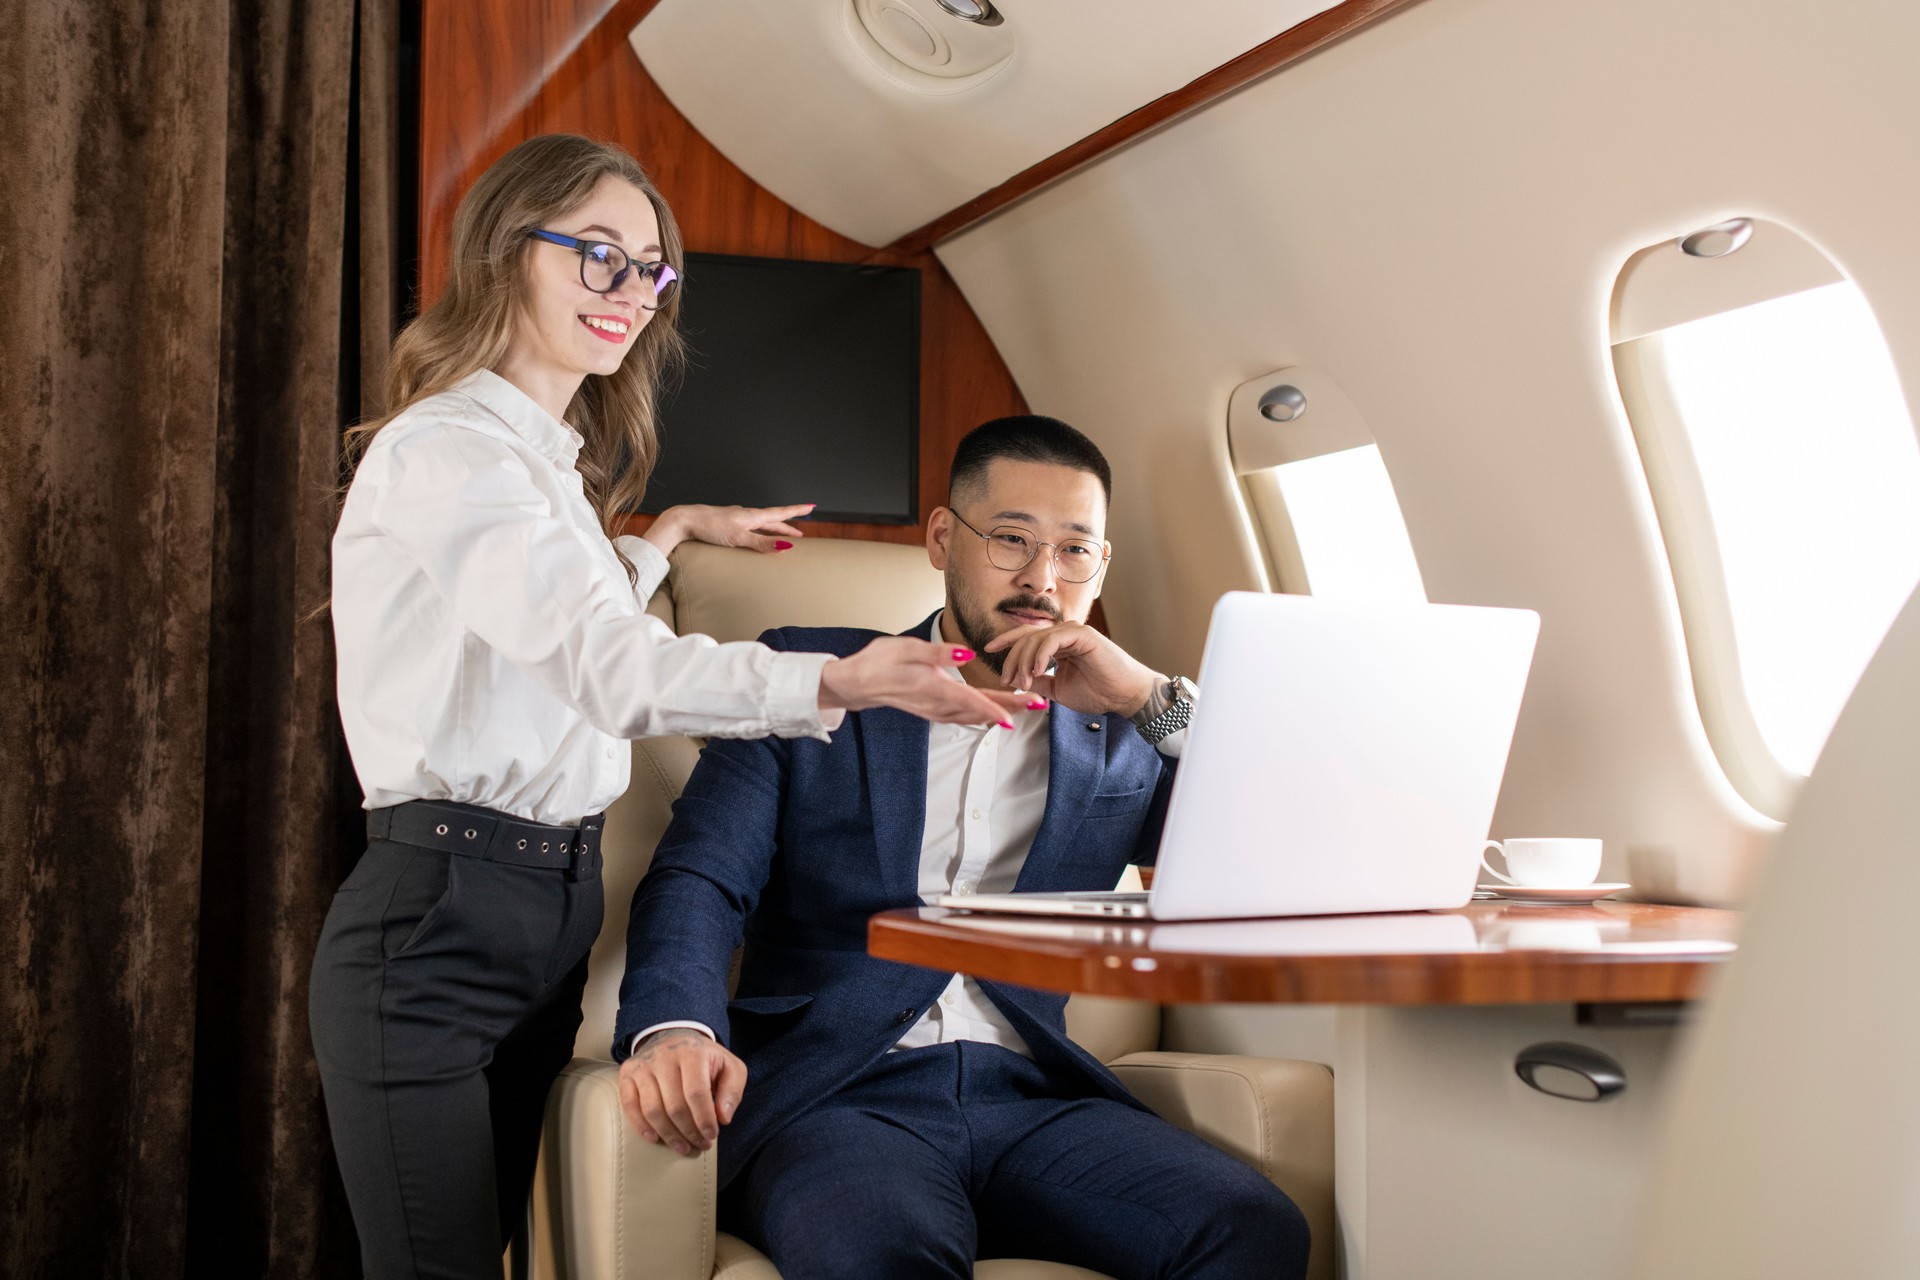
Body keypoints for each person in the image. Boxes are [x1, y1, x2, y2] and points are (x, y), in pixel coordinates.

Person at [308, 134, 1039, 1280]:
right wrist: (836, 678)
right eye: (598, 256)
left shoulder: (547, 467)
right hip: (438, 916)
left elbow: (571, 617)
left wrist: (668, 534)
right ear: (508, 250)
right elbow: (613, 669)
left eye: (650, 269)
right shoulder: (450, 453)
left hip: (545, 910)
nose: (632, 295)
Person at [614, 416, 1311, 1279]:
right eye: (1011, 540)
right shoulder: (811, 678)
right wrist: (671, 1030)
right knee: (885, 1251)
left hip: (1033, 1098)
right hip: (837, 1097)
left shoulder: (1127, 732)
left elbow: (1289, 847)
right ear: (944, 538)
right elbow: (701, 878)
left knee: (1251, 1226)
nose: (1041, 580)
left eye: (1073, 553)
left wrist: (1148, 696)